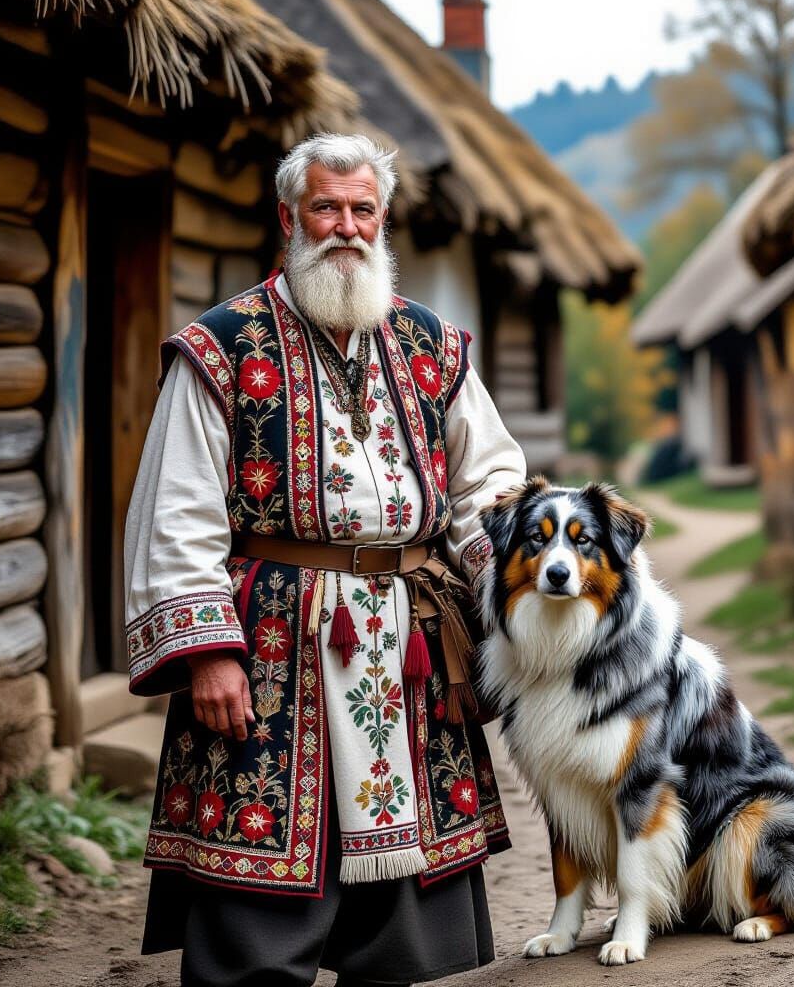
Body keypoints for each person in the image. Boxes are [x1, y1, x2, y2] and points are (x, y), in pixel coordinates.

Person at [124, 133, 526, 987]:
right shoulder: (223, 346)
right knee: (263, 889)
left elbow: (488, 479)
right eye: (326, 208)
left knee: (403, 933)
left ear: (381, 223)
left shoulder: (432, 346)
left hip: (413, 638)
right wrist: (208, 651)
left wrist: (507, 581)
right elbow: (177, 508)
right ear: (289, 217)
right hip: (270, 643)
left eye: (361, 210)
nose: (345, 227)